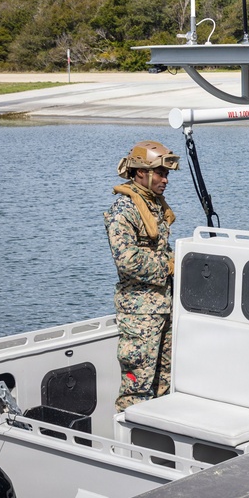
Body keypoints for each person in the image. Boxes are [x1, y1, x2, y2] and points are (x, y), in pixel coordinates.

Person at [104, 140, 180, 412]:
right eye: (160, 173)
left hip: (163, 308)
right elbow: (128, 261)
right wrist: (170, 266)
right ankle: (130, 448)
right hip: (139, 315)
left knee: (164, 383)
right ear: (140, 173)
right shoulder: (124, 211)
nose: (166, 180)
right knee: (136, 391)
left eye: (167, 174)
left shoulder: (153, 205)